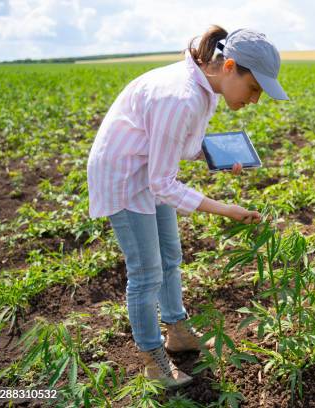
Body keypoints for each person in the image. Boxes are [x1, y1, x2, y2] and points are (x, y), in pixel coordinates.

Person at [86, 25, 289, 389]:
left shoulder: (204, 89)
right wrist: (225, 208)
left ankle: (178, 332)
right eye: (254, 88)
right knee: (146, 272)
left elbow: (180, 144)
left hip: (148, 170)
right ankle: (152, 360)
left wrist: (216, 156)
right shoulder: (180, 97)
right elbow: (162, 184)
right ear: (229, 67)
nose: (255, 100)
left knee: (170, 256)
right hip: (125, 177)